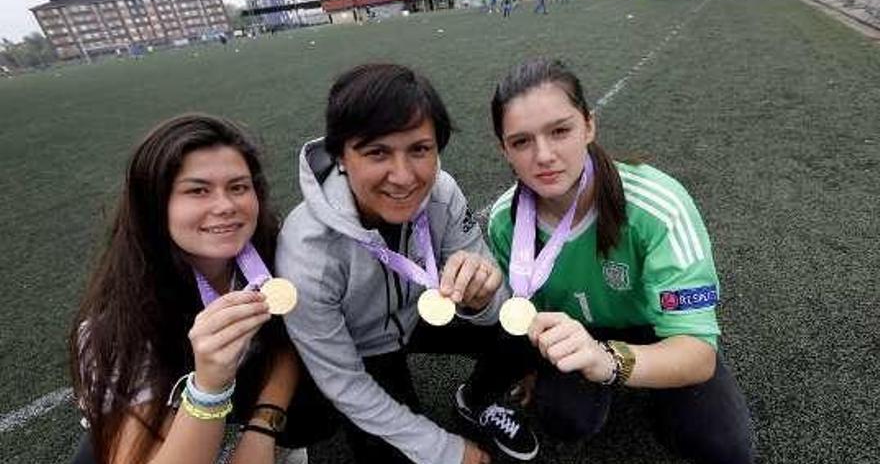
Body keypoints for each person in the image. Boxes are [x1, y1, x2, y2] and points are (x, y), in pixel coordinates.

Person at [476, 58, 755, 463]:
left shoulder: (657, 206)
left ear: (589, 125)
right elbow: (528, 312)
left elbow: (697, 351)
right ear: (505, 150)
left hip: (659, 331)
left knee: (724, 449)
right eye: (521, 141)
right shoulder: (506, 220)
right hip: (574, 332)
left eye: (560, 131)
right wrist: (540, 361)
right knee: (564, 419)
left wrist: (608, 361)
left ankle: (656, 388)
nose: (544, 155)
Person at [276, 63, 538, 464]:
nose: (402, 177)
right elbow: (344, 381)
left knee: (527, 327)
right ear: (340, 155)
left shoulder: (442, 192)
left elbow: (499, 304)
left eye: (419, 149)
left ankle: (475, 401)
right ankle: (306, 441)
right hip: (363, 350)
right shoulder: (306, 250)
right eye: (377, 152)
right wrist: (445, 449)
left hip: (420, 314)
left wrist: (483, 299)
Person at [69, 114, 313, 464]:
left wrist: (262, 431)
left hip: (243, 386)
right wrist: (208, 387)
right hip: (161, 409)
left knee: (316, 399)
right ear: (154, 204)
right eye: (198, 190)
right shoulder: (114, 325)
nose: (226, 206)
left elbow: (287, 340)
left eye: (238, 187)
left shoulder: (277, 250)